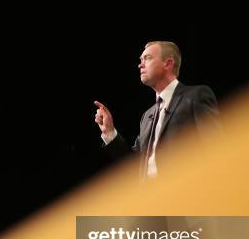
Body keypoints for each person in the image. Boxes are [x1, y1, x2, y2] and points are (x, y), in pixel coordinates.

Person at [94, 41, 220, 180]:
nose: (140, 64)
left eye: (147, 58)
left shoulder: (195, 96)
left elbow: (215, 147)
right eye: (141, 60)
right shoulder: (147, 116)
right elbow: (134, 165)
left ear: (168, 63)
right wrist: (110, 132)